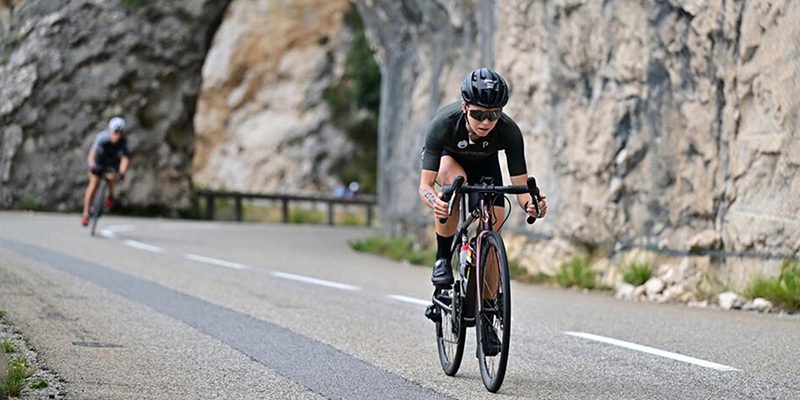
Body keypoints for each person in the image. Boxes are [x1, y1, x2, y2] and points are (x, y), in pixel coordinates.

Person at [80, 117, 131, 226]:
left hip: (113, 162)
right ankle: (85, 214)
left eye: (120, 133)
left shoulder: (124, 142)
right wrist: (92, 165)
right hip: (101, 160)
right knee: (93, 183)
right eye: (115, 132)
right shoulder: (102, 138)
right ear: (110, 130)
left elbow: (125, 159)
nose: (117, 135)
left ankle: (110, 196)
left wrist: (122, 172)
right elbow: (92, 153)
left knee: (112, 178)